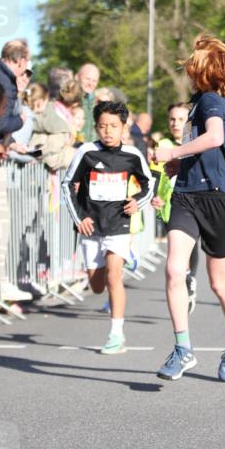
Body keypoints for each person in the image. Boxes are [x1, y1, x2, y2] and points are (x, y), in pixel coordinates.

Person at [154, 34, 225, 383]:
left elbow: (215, 138)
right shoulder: (196, 104)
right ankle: (183, 349)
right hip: (186, 195)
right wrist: (182, 165)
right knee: (173, 270)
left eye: (193, 68)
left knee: (219, 283)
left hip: (216, 198)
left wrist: (173, 153)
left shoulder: (211, 101)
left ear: (206, 72)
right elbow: (212, 148)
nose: (189, 73)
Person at [61, 101, 154, 355]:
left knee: (114, 276)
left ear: (124, 127)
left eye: (114, 126)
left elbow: (150, 183)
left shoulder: (132, 156)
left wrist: (138, 202)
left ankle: (116, 334)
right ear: (96, 128)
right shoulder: (87, 152)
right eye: (102, 126)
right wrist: (80, 217)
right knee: (97, 286)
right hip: (91, 227)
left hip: (118, 224)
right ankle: (104, 292)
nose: (108, 131)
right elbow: (67, 184)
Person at [151, 102, 199, 312]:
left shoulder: (196, 142)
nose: (175, 123)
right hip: (169, 203)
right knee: (176, 247)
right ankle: (183, 281)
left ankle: (189, 278)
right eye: (172, 119)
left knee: (191, 244)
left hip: (192, 201)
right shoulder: (162, 144)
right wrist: (155, 195)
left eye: (180, 119)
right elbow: (154, 174)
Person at [76, 63, 101, 141]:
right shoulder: (69, 101)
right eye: (87, 79)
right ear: (77, 77)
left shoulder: (99, 103)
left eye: (94, 81)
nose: (90, 83)